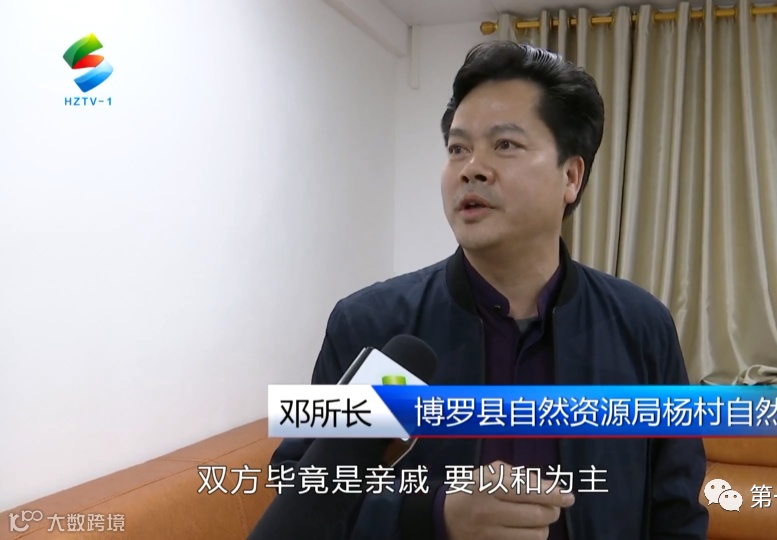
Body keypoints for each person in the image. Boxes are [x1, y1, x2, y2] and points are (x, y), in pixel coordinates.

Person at [270, 40, 708, 540]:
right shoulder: (375, 326)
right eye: (458, 148)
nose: (471, 168)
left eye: (505, 145)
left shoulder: (641, 327)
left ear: (570, 176)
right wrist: (435, 515)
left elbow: (676, 511)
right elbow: (301, 500)